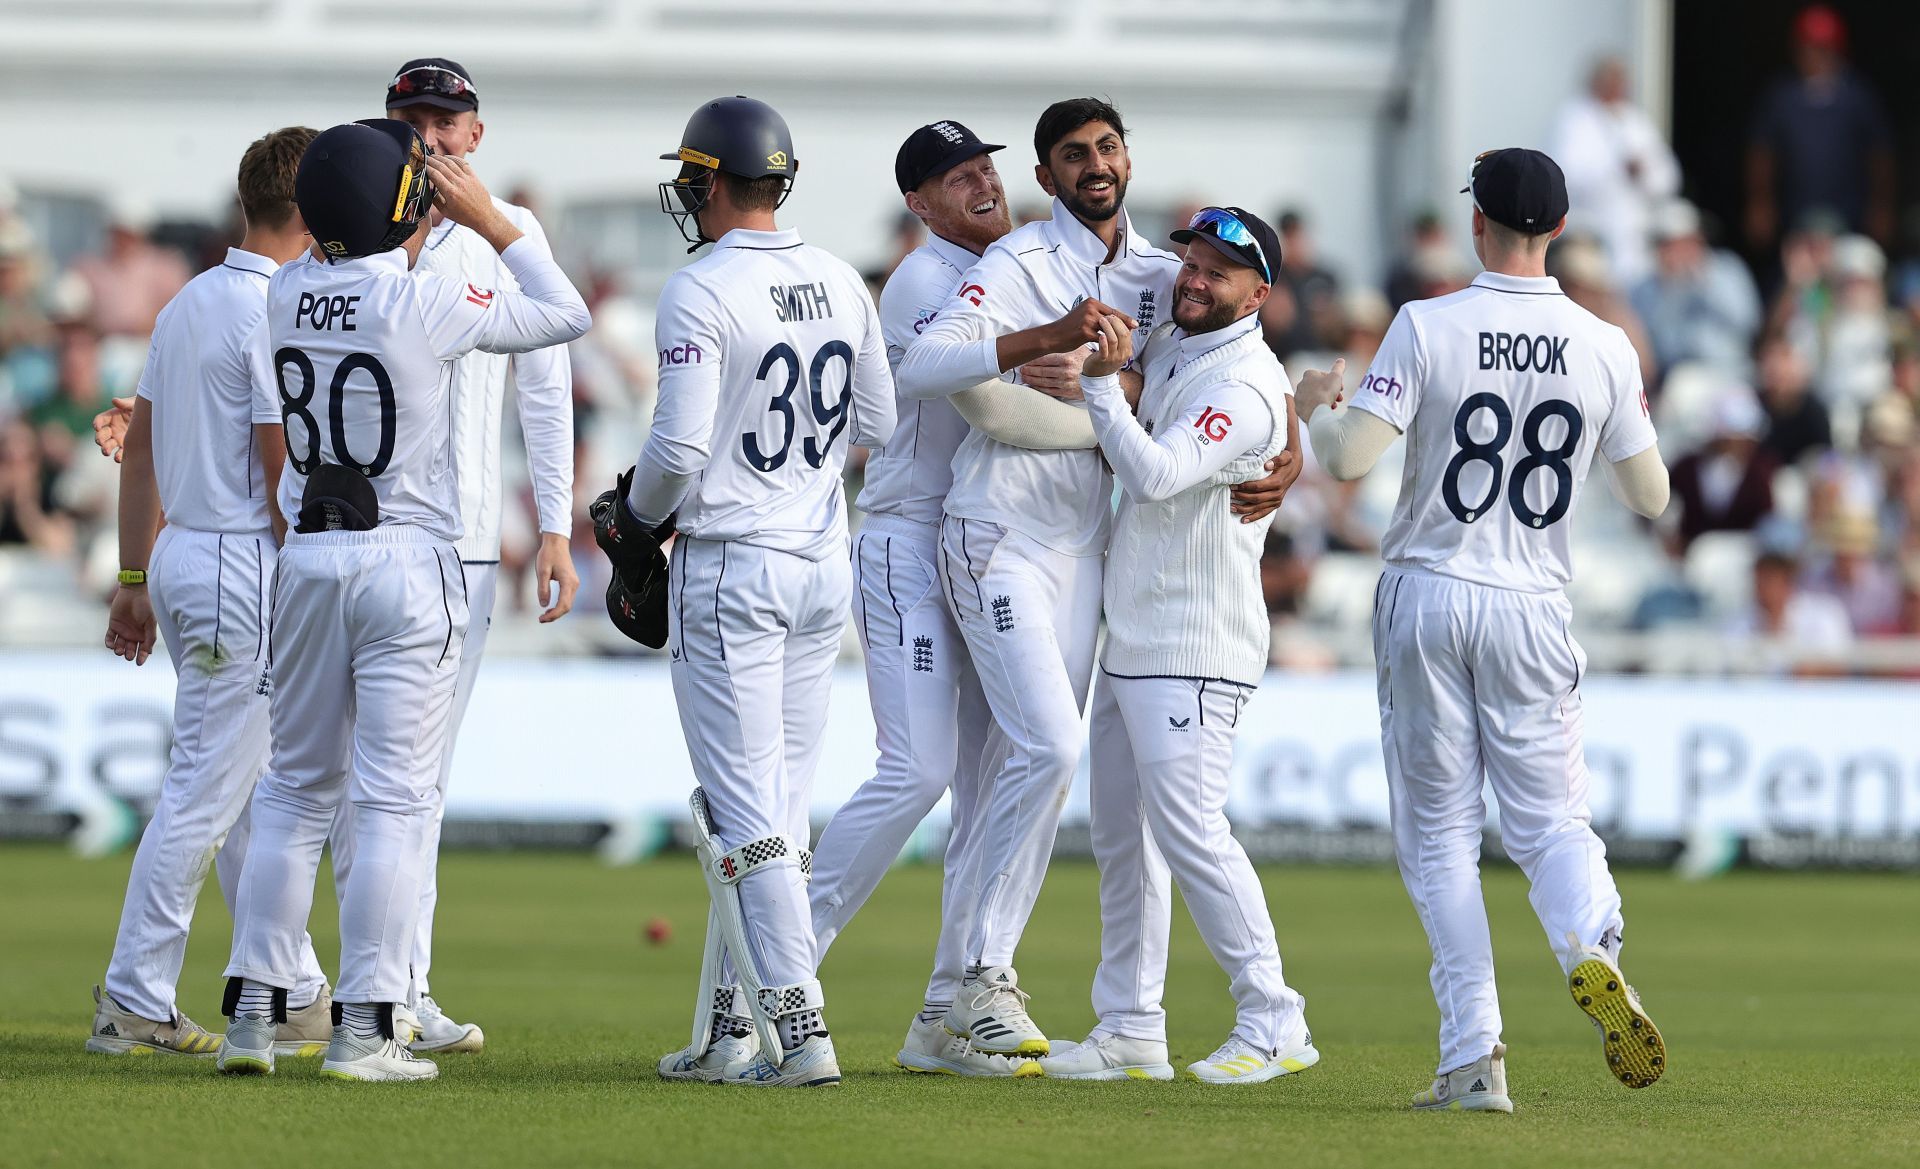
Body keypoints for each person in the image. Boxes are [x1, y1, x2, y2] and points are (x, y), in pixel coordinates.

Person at [1293, 148, 1672, 1111]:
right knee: (1552, 824)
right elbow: (1652, 494)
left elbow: (1347, 462)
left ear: (1478, 224)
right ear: (1560, 227)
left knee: (1440, 840)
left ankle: (1474, 1055)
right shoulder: (1604, 344)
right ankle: (1591, 944)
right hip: (1534, 601)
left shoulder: (1428, 324)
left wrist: (1317, 410)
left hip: (1428, 588)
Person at [215, 120, 589, 1083]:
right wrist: (497, 224)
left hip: (309, 556)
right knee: (391, 800)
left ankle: (254, 1013)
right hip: (409, 559)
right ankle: (367, 1027)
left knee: (294, 791)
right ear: (402, 211)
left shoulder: (288, 289)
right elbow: (564, 313)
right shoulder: (431, 299)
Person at [606, 96, 894, 1088]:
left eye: (695, 180)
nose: (689, 197)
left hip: (734, 560)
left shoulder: (700, 286)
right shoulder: (842, 275)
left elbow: (680, 447)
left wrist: (636, 518)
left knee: (742, 811)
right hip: (820, 558)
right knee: (780, 806)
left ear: (715, 182)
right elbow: (881, 420)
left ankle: (799, 1029)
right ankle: (730, 1028)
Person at [806, 120, 1094, 1078]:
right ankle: (779, 965)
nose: (979, 182)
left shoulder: (1004, 266)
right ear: (918, 205)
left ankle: (943, 1013)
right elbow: (938, 376)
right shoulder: (928, 280)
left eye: (984, 167)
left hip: (976, 540)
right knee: (918, 771)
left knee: (988, 783)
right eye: (951, 177)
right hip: (904, 541)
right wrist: (1052, 347)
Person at [1032, 207, 1316, 1084]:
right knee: (1126, 839)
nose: (1193, 277)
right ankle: (1129, 1023)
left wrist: (1095, 387)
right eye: (1192, 259)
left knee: (1192, 833)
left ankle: (1274, 1019)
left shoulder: (1242, 385)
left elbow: (1153, 476)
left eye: (1219, 270)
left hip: (1197, 644)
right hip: (1137, 632)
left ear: (1258, 293)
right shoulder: (1182, 342)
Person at [346, 55, 580, 1056]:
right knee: (333, 777)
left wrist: (560, 524)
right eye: (417, 119)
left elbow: (547, 386)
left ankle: (400, 985)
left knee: (414, 781)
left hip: (467, 545)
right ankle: (342, 986)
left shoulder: (510, 235)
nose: (434, 137)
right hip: (353, 536)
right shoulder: (356, 220)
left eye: (449, 121)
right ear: (392, 123)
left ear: (477, 133)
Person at [88, 129, 335, 1061]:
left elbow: (139, 445)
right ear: (309, 213)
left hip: (186, 555)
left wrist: (131, 577)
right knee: (207, 790)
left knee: (237, 786)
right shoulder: (273, 308)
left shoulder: (188, 300)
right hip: (243, 560)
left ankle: (297, 986)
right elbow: (281, 470)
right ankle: (133, 997)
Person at [1746, 5, 1895, 254]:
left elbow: (1880, 155)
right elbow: (1762, 153)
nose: (1816, 56)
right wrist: (1760, 203)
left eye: (1824, 49)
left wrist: (1881, 207)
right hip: (1794, 212)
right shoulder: (1782, 97)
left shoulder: (1857, 96)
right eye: (1809, 48)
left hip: (1848, 212)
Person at [1547, 56, 1680, 287]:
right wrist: (1615, 169)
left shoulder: (1636, 120)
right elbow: (1563, 174)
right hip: (1589, 232)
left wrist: (1642, 173)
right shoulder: (1574, 119)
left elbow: (1668, 178)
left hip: (1635, 235)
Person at [1628, 200, 1762, 380]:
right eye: (1665, 244)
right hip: (1678, 379)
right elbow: (1657, 348)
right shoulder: (1647, 289)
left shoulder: (1727, 269)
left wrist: (1703, 282)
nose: (1673, 252)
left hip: (1734, 373)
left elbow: (1749, 323)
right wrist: (1670, 291)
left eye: (1680, 243)